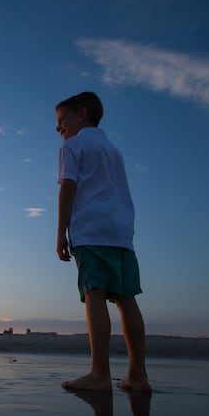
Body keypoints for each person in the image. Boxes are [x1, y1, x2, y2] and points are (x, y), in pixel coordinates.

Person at [55, 92, 151, 392]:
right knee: (126, 298)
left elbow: (68, 187)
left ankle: (99, 373)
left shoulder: (73, 145)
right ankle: (138, 376)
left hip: (92, 229)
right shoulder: (113, 150)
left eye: (62, 121)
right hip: (121, 231)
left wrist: (61, 231)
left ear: (81, 114)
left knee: (94, 294)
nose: (59, 130)